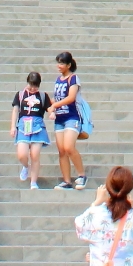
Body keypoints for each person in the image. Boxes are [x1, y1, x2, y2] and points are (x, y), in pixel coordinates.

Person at [49, 51, 86, 190]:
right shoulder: (58, 80)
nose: (59, 65)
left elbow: (70, 98)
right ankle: (67, 181)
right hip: (59, 118)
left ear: (69, 65)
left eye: (62, 63)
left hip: (72, 116)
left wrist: (54, 105)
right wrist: (48, 105)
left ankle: (81, 175)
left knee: (69, 147)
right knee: (61, 151)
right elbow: (57, 98)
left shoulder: (73, 79)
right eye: (58, 62)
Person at [11, 72, 50, 188]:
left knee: (35, 154)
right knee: (22, 154)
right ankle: (25, 167)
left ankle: (33, 182)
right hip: (23, 125)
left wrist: (52, 112)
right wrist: (13, 126)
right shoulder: (20, 94)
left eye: (36, 85)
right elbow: (15, 110)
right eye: (31, 85)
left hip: (38, 126)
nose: (33, 88)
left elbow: (49, 108)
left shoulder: (43, 96)